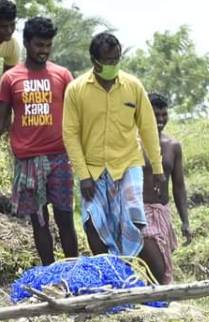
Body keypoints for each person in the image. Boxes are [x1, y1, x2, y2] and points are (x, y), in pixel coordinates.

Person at [63, 32, 164, 258]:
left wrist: (157, 168)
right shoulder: (76, 90)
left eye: (116, 59)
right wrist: (84, 175)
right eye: (108, 61)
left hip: (127, 164)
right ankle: (111, 273)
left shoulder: (133, 86)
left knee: (133, 217)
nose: (113, 65)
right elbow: (70, 134)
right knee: (93, 223)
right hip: (93, 169)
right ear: (94, 61)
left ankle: (132, 270)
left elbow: (148, 128)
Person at [0, 16, 78, 266]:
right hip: (27, 161)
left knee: (65, 217)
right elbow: (2, 122)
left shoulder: (63, 75)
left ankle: (73, 271)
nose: (43, 50)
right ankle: (49, 272)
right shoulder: (10, 78)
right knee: (39, 220)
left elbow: (76, 117)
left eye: (47, 45)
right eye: (38, 45)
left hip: (60, 157)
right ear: (26, 42)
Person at [141, 92, 191, 284]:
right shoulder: (134, 143)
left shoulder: (173, 146)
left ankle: (157, 306)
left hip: (162, 212)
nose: (161, 120)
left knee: (161, 269)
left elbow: (179, 186)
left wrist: (185, 221)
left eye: (164, 115)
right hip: (140, 213)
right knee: (157, 265)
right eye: (156, 115)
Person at [0, 0, 19, 73]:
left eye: (12, 24)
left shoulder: (12, 46)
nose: (9, 31)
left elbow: (8, 80)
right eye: (4, 26)